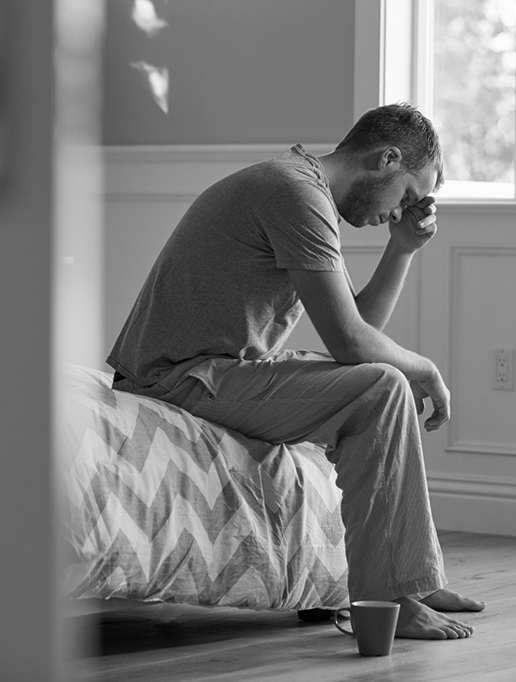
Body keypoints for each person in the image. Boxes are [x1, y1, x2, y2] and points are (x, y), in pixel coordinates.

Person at [107, 103, 485, 640]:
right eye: (406, 195)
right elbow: (350, 343)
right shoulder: (294, 193)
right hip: (176, 377)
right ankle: (387, 600)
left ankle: (413, 583)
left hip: (216, 370)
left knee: (380, 383)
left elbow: (357, 328)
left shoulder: (301, 187)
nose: (400, 211)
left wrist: (401, 249)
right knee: (383, 387)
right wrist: (426, 368)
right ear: (387, 158)